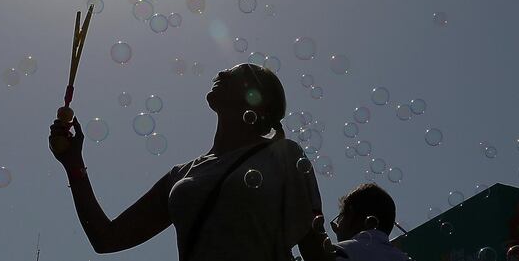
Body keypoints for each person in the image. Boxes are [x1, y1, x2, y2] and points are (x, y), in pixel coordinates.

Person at [48, 63, 333, 261]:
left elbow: (314, 250)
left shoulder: (283, 156)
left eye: (238, 73)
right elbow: (107, 238)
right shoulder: (182, 175)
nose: (222, 71)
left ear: (255, 99)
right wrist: (73, 163)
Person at [330, 183, 410, 261]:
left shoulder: (339, 252)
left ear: (351, 213)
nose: (337, 225)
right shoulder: (404, 258)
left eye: (341, 216)